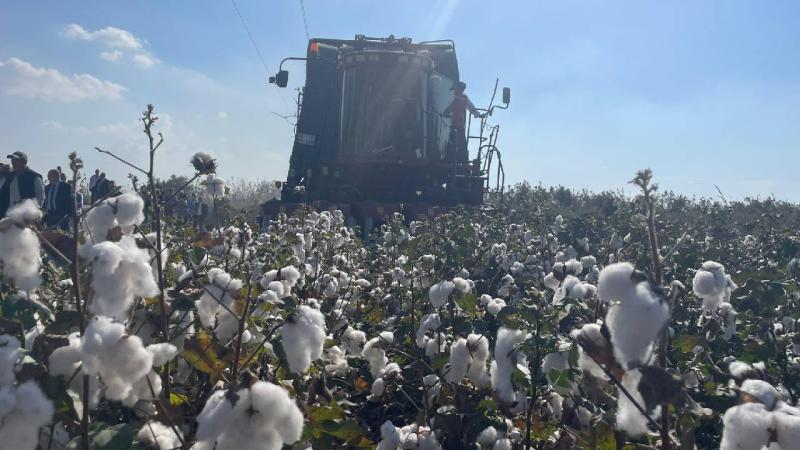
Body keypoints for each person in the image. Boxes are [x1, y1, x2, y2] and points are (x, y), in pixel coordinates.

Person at [444, 81, 484, 162]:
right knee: (450, 141)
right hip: (448, 123)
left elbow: (471, 107)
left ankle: (463, 159)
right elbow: (447, 108)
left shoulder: (464, 97)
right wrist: (444, 113)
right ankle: (448, 158)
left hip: (458, 123)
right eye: (460, 88)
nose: (461, 90)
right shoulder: (450, 95)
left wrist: (479, 114)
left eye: (462, 89)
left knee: (461, 142)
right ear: (457, 87)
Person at [0, 151, 44, 218]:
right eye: (12, 160)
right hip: (8, 214)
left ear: (24, 162)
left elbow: (40, 198)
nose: (13, 162)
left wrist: (33, 214)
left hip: (25, 216)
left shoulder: (34, 177)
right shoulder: (9, 176)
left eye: (16, 160)